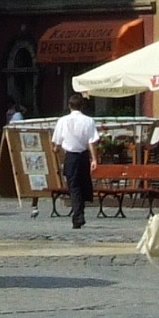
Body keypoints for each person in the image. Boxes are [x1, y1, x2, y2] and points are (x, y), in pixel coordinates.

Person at [52, 95, 100, 230]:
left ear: (69, 106)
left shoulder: (62, 121)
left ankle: (78, 216)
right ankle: (79, 213)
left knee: (74, 187)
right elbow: (92, 141)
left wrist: (58, 151)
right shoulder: (89, 121)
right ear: (82, 106)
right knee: (83, 184)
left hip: (71, 156)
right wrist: (94, 159)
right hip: (84, 155)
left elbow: (56, 144)